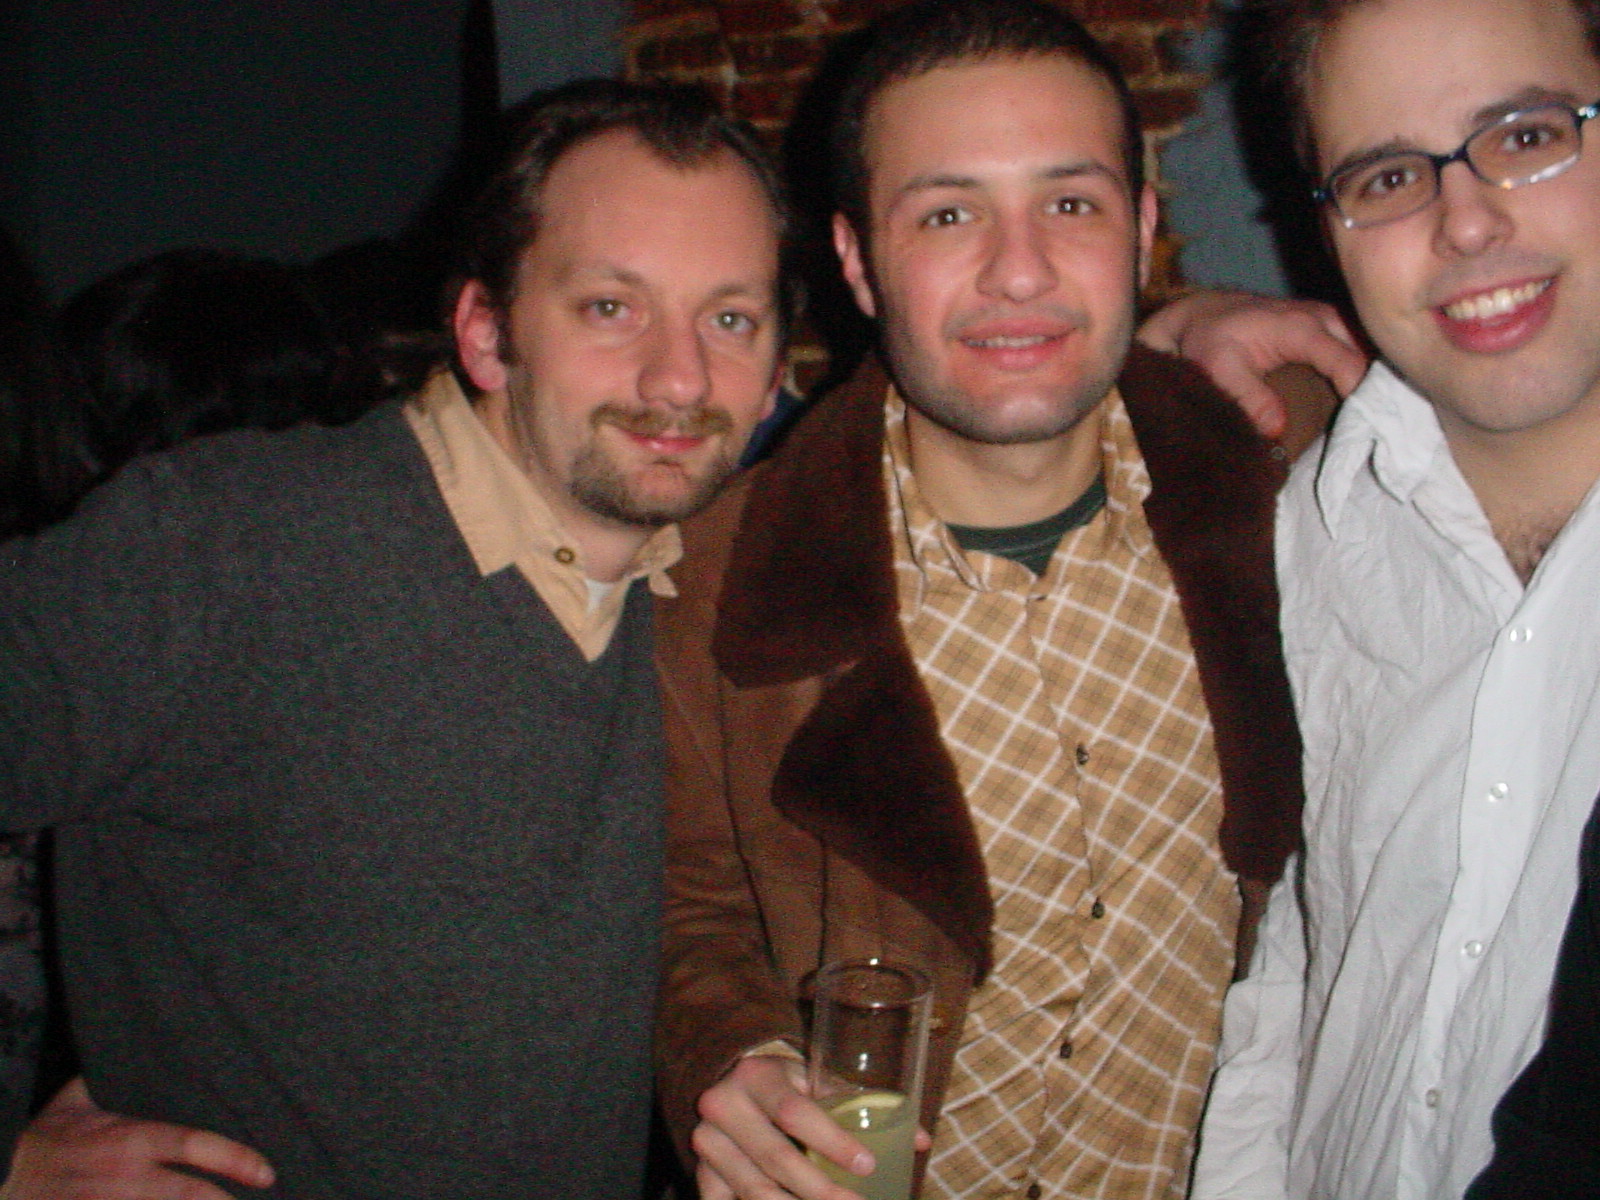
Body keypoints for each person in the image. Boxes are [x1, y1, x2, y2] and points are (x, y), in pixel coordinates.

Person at [0, 78, 787, 1199]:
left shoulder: (698, 593)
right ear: (486, 333)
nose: (680, 376)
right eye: (611, 307)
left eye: (730, 318)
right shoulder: (227, 544)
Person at [649, 2, 1363, 1197]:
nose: (1018, 269)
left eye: (1070, 204)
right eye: (947, 213)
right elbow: (686, 901)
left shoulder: (1297, 479)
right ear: (855, 262)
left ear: (1141, 229)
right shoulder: (712, 582)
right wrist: (734, 1054)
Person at [1188, 0, 1600, 1196]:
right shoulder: (1315, 531)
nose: (1464, 221)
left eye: (1526, 136)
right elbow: (1304, 958)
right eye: (1386, 176)